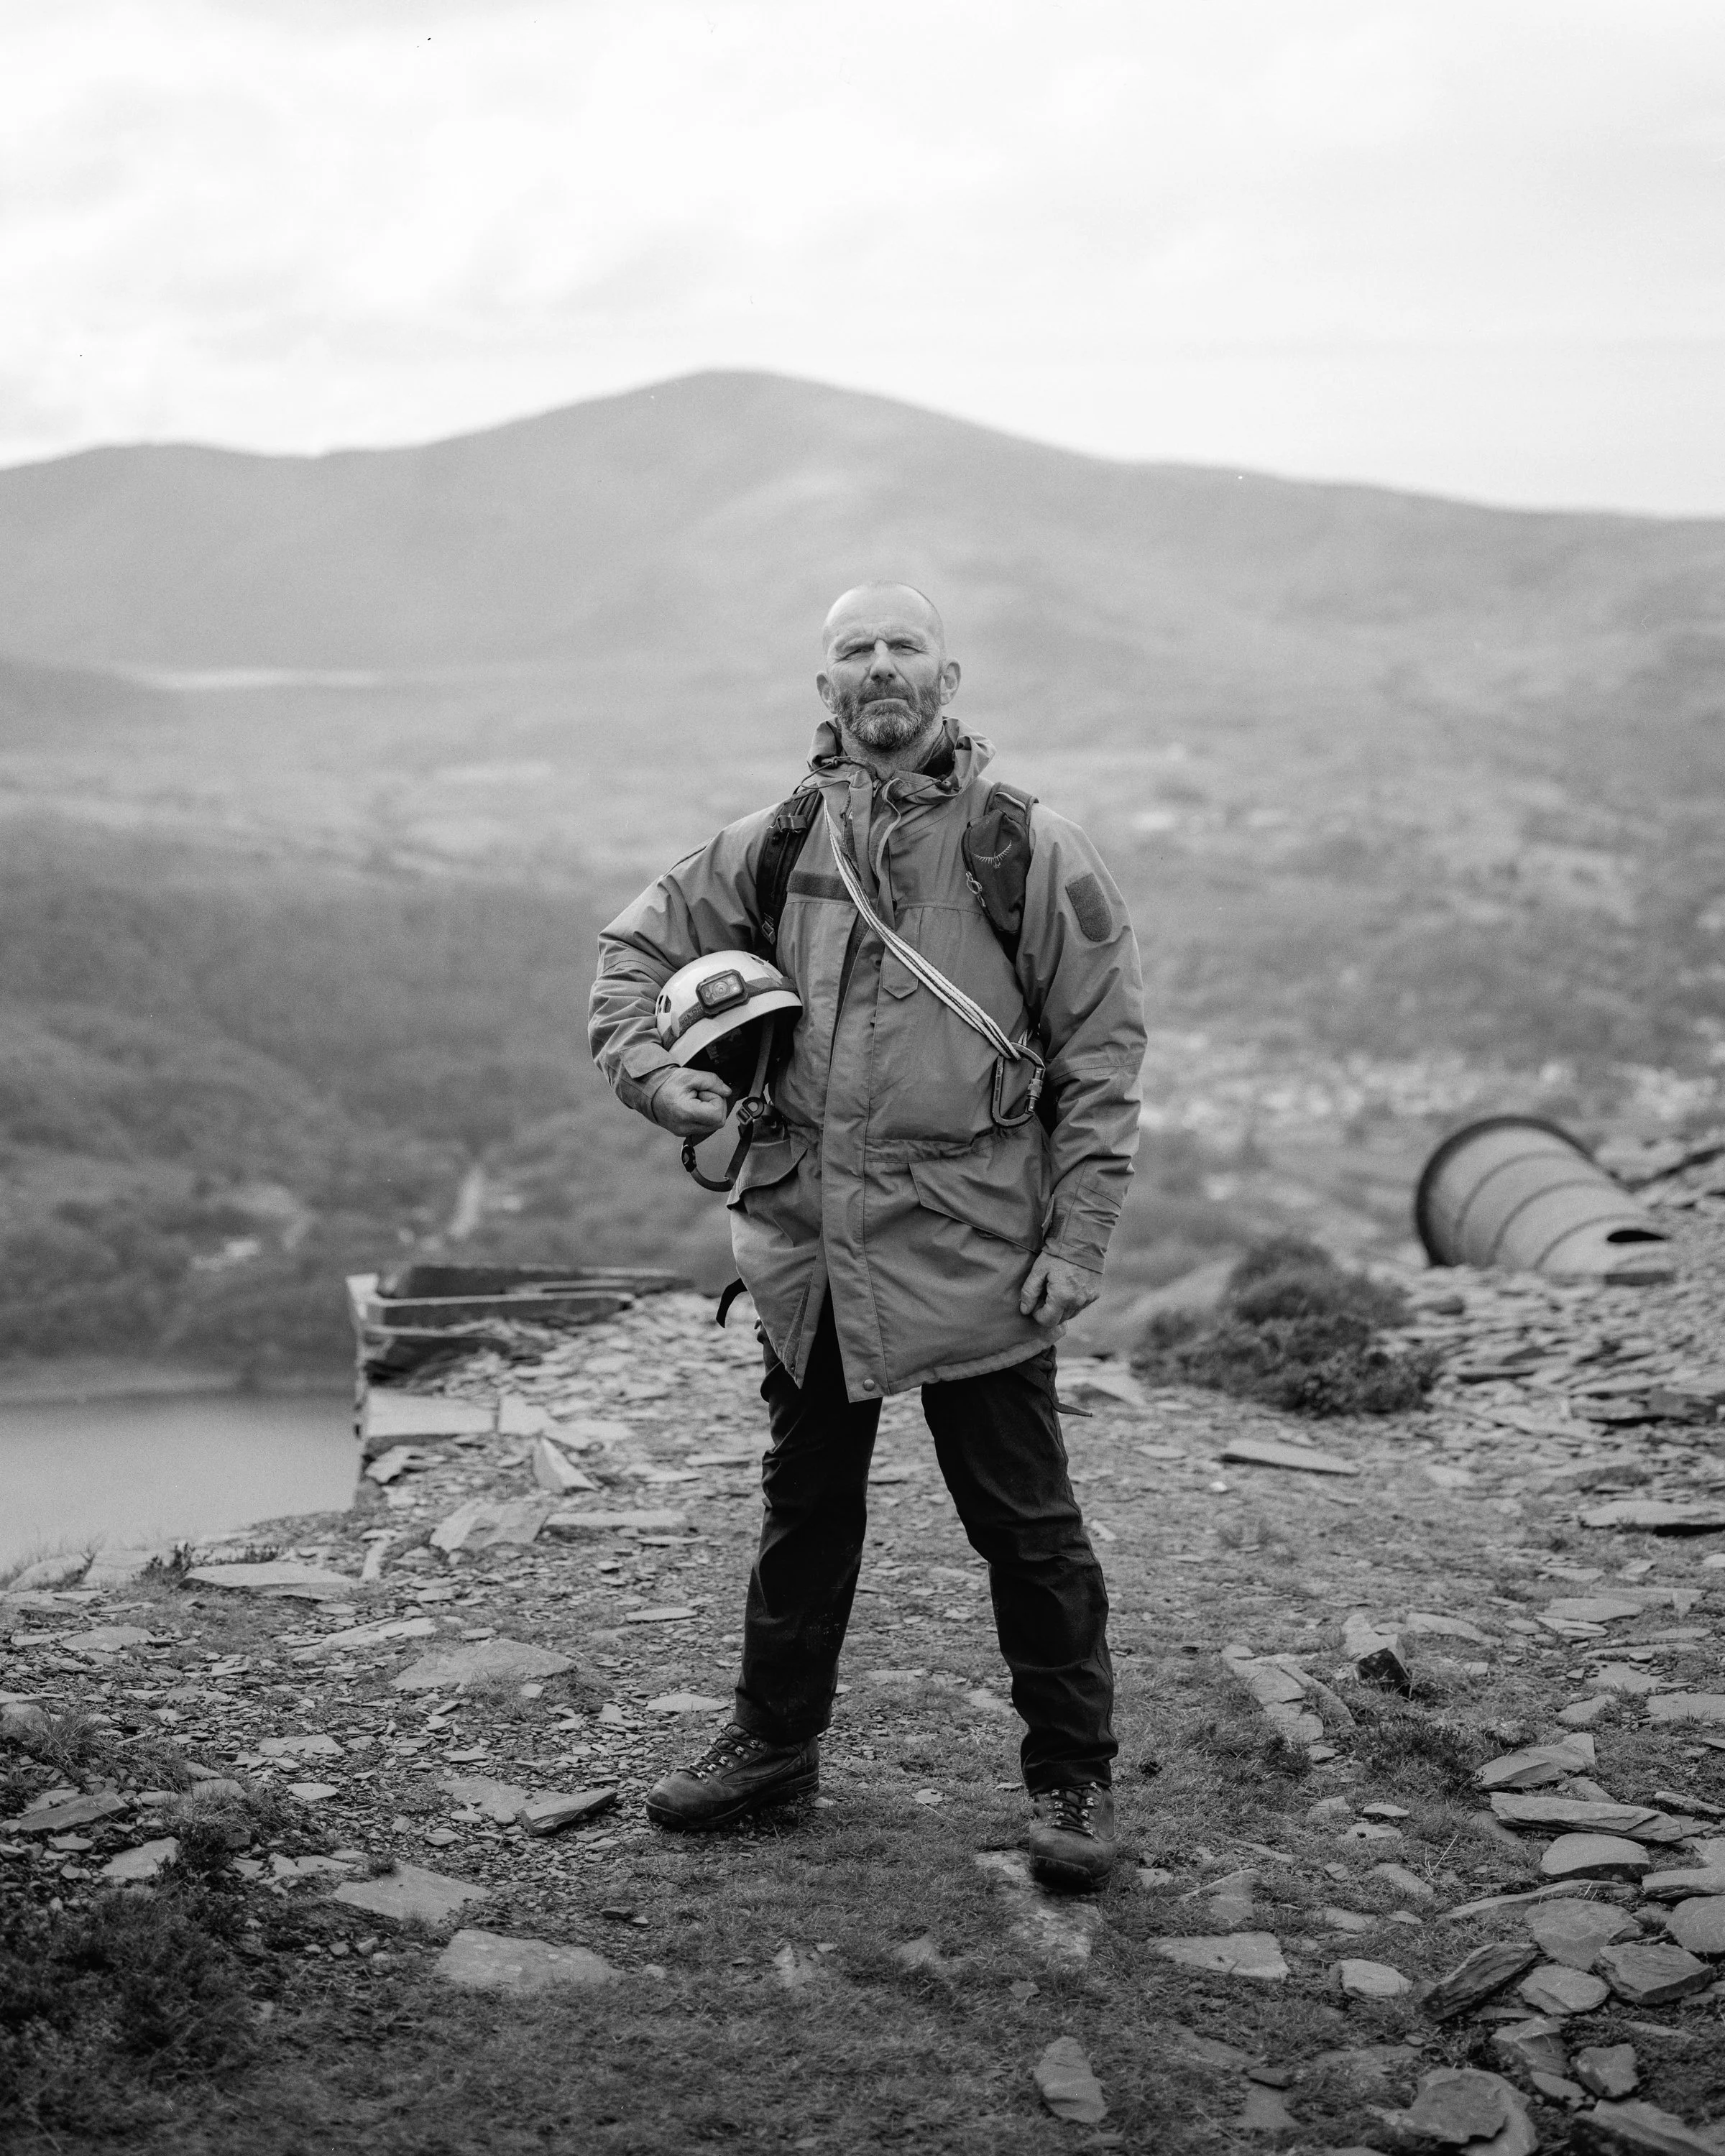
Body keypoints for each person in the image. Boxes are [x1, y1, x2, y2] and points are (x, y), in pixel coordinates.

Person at [589, 583, 1146, 1884]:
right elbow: (631, 951)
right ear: (824, 687)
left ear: (949, 678)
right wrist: (657, 1076)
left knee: (1025, 1522)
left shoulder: (1028, 849)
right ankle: (773, 1745)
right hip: (806, 1243)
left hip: (974, 1243)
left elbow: (1103, 1059)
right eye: (855, 650)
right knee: (806, 1507)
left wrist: (1081, 1238)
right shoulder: (775, 843)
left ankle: (1072, 1779)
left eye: (904, 646)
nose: (880, 667)